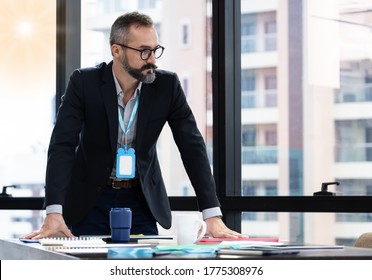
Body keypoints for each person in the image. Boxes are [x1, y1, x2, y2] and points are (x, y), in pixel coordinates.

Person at [23, 11, 242, 239]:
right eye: (144, 51)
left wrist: (212, 214)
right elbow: (62, 146)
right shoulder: (84, 83)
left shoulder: (167, 86)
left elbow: (192, 147)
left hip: (141, 198)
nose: (152, 60)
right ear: (116, 50)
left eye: (155, 50)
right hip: (90, 200)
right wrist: (54, 211)